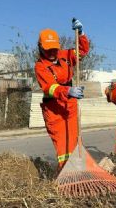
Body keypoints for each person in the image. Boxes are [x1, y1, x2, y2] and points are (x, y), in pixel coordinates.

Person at [34, 18, 90, 172]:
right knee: (63, 147)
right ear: (40, 48)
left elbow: (82, 51)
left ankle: (79, 171)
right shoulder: (40, 67)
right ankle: (66, 174)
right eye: (48, 50)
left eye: (54, 49)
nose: (52, 53)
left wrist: (81, 34)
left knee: (74, 143)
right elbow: (49, 88)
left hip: (69, 106)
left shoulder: (64, 55)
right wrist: (67, 91)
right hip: (54, 109)